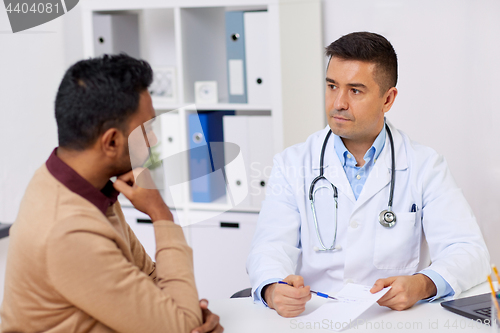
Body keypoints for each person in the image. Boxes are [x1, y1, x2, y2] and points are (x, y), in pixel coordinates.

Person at [246, 32, 490, 318]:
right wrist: (273, 289)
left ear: (388, 99)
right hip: (316, 315)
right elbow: (269, 247)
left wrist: (422, 284)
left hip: (393, 319)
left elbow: (470, 251)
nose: (338, 103)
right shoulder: (292, 163)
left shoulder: (425, 165)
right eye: (332, 86)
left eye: (355, 91)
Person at [1, 54, 223, 333]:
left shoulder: (76, 182)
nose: (153, 140)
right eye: (147, 129)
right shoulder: (69, 230)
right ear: (112, 141)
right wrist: (161, 213)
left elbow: (151, 283)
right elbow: (179, 328)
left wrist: (188, 311)